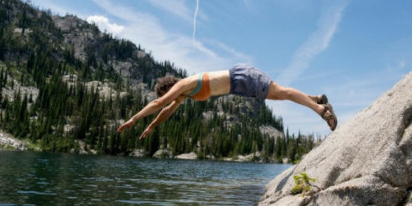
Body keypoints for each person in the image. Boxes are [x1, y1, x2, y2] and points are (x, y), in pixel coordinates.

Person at [117, 63, 337, 138]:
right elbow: (166, 110)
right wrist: (151, 126)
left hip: (241, 78)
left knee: (282, 93)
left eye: (167, 94)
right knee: (281, 94)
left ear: (169, 88)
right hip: (240, 84)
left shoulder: (182, 85)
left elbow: (159, 104)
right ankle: (317, 99)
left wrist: (133, 119)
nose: (170, 99)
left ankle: (320, 110)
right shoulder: (185, 94)